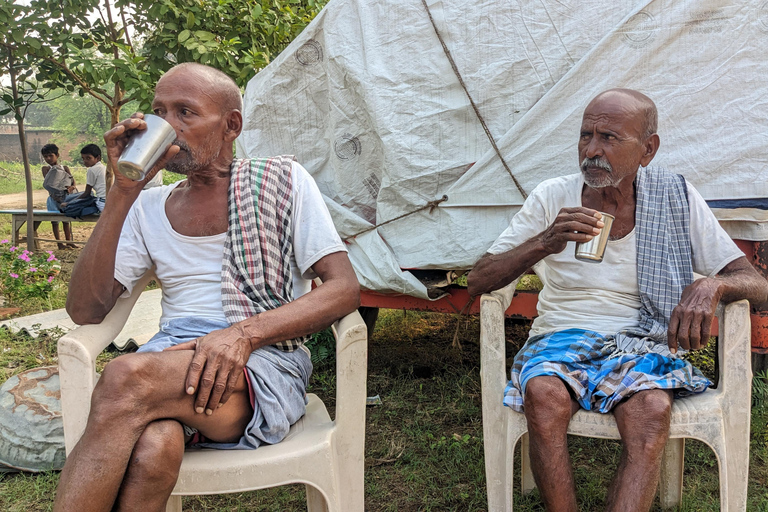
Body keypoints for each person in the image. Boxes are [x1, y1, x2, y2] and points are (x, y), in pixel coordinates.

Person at [53, 62, 360, 511]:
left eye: (185, 113)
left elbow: (343, 289)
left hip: (263, 360)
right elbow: (86, 309)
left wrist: (241, 335)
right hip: (172, 363)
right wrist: (122, 190)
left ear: (230, 125)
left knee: (124, 375)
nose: (168, 126)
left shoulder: (281, 181)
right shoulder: (148, 206)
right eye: (159, 112)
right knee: (155, 446)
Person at [467, 88, 768, 512]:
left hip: (642, 340)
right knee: (543, 394)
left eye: (609, 138)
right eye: (585, 135)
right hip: (560, 336)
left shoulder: (675, 198)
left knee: (650, 407)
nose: (592, 150)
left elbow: (756, 284)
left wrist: (712, 286)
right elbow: (479, 279)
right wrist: (545, 242)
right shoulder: (553, 196)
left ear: (648, 149)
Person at [37, 143, 76, 249]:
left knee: (66, 220)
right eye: (46, 156)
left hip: (65, 197)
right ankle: (59, 243)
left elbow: (73, 182)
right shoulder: (46, 169)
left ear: (57, 155)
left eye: (51, 155)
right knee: (55, 221)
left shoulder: (65, 168)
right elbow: (50, 183)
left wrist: (71, 187)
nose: (48, 158)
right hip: (53, 199)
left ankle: (69, 241)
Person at [61, 144, 107, 213]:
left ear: (98, 158)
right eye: (83, 158)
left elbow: (87, 193)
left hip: (102, 203)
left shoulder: (92, 170)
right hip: (109, 202)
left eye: (88, 158)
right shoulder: (104, 168)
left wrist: (70, 203)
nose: (85, 161)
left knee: (71, 202)